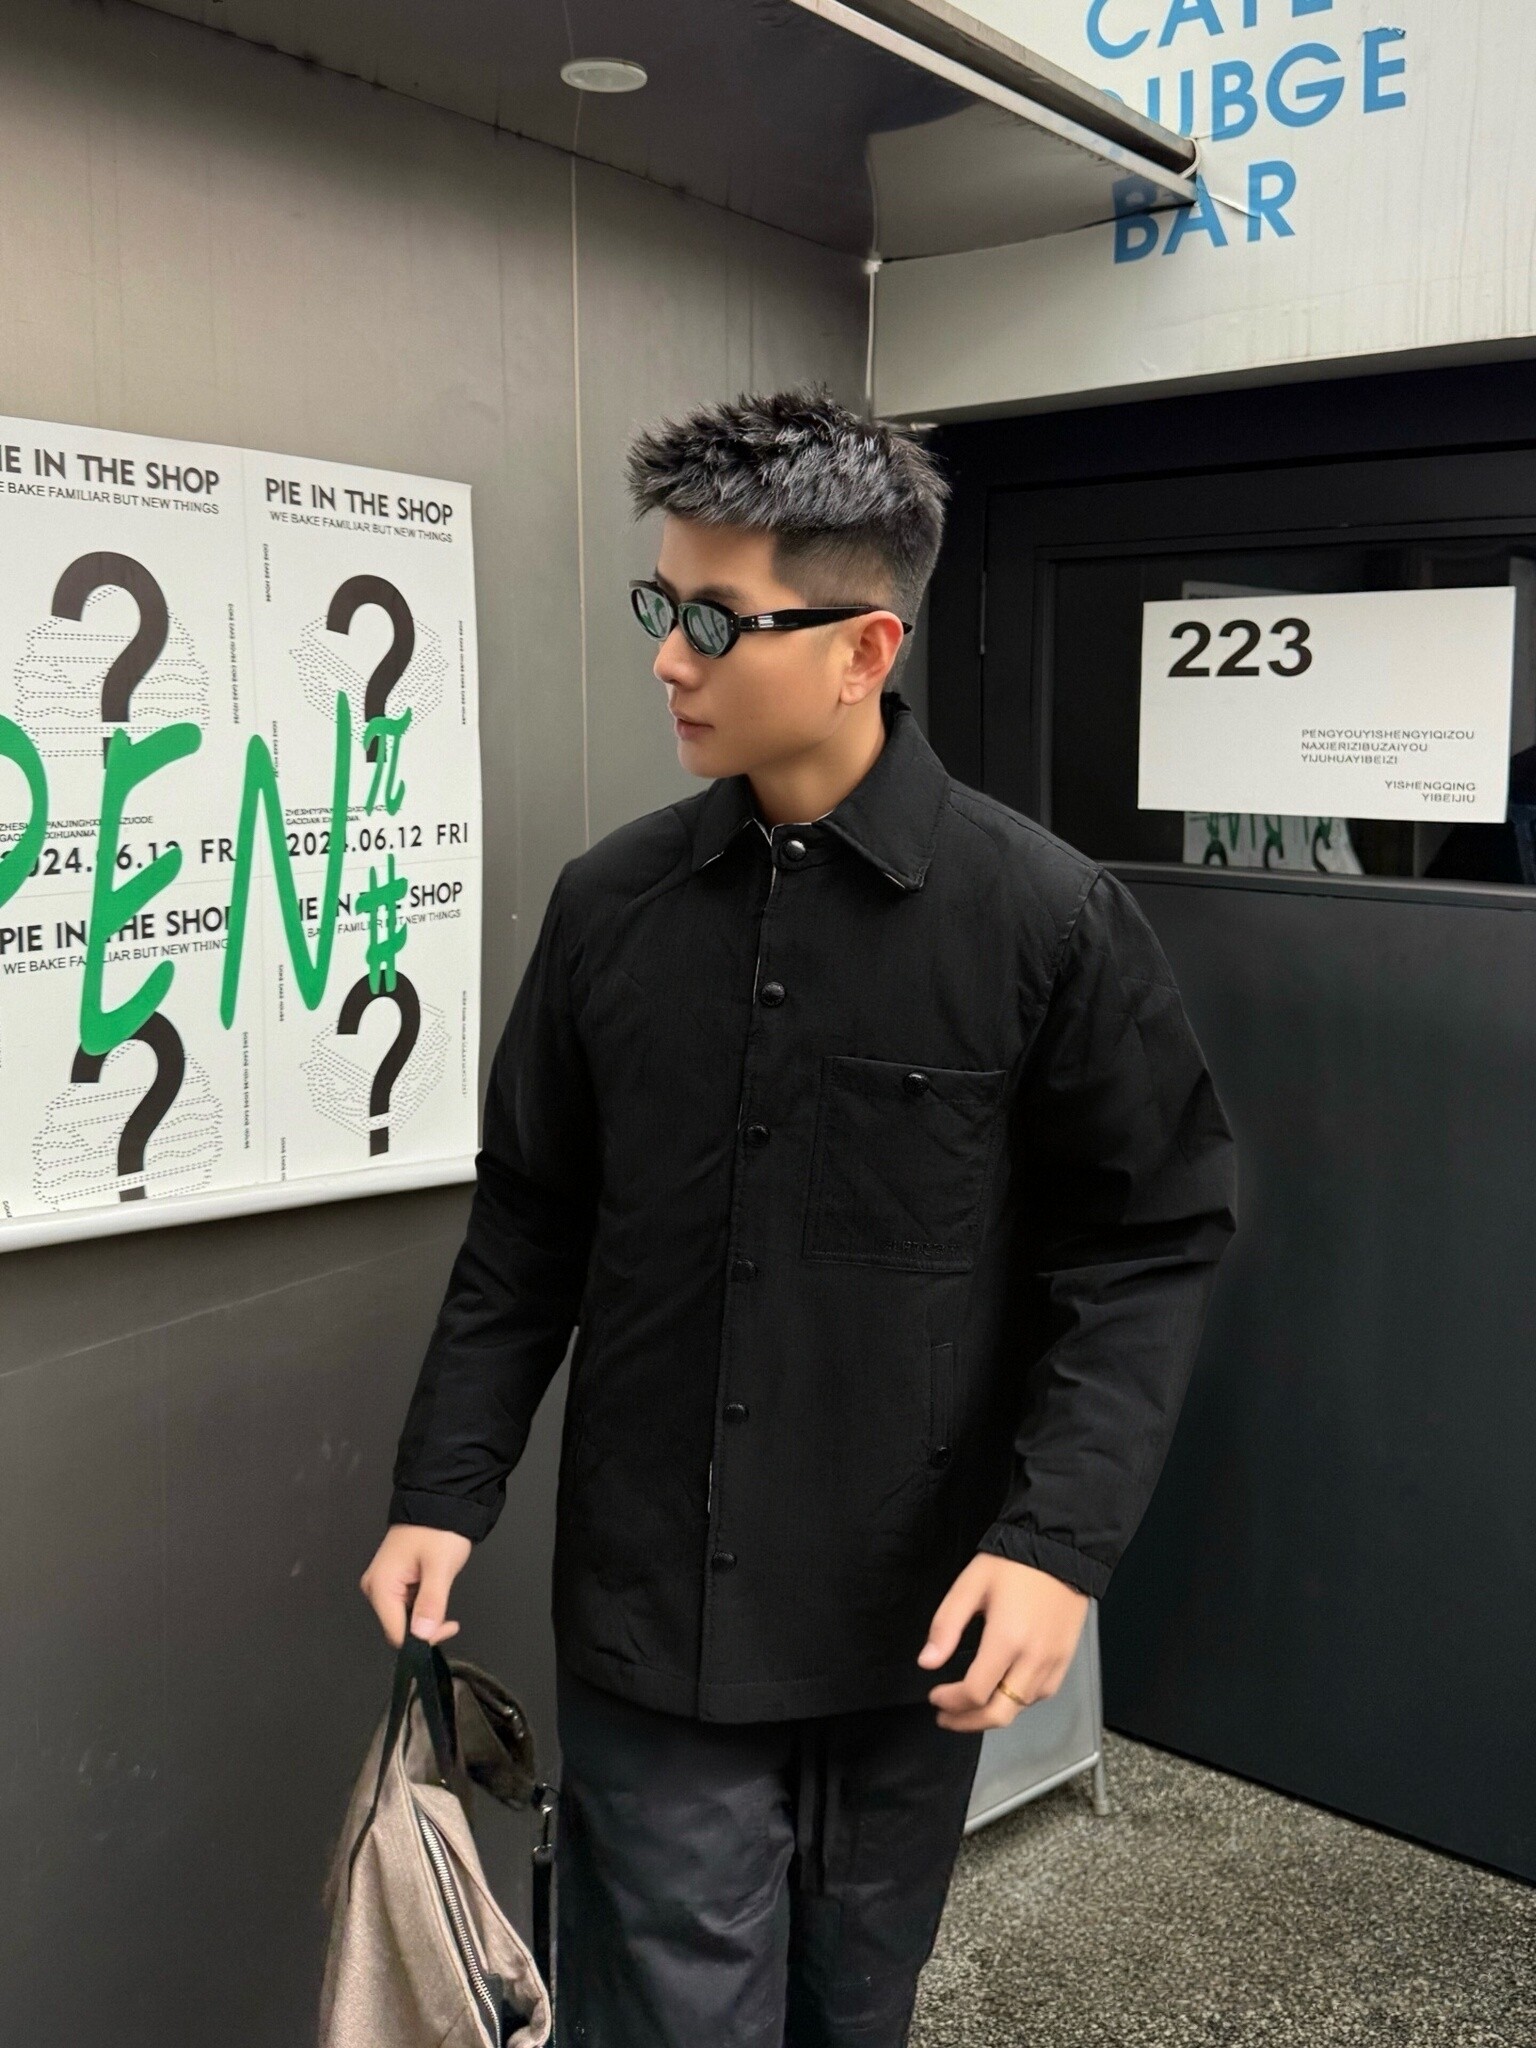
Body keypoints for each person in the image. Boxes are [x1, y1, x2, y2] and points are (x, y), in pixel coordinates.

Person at [360, 387, 1239, 2045]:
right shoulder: (609, 909)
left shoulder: (1044, 920)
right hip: (653, 1618)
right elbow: (530, 1220)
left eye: (715, 620)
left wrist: (1056, 1547)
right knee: (671, 2020)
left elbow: (1144, 1246)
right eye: (661, 605)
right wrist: (442, 1491)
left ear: (864, 649)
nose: (666, 659)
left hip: (914, 1622)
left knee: (857, 2011)